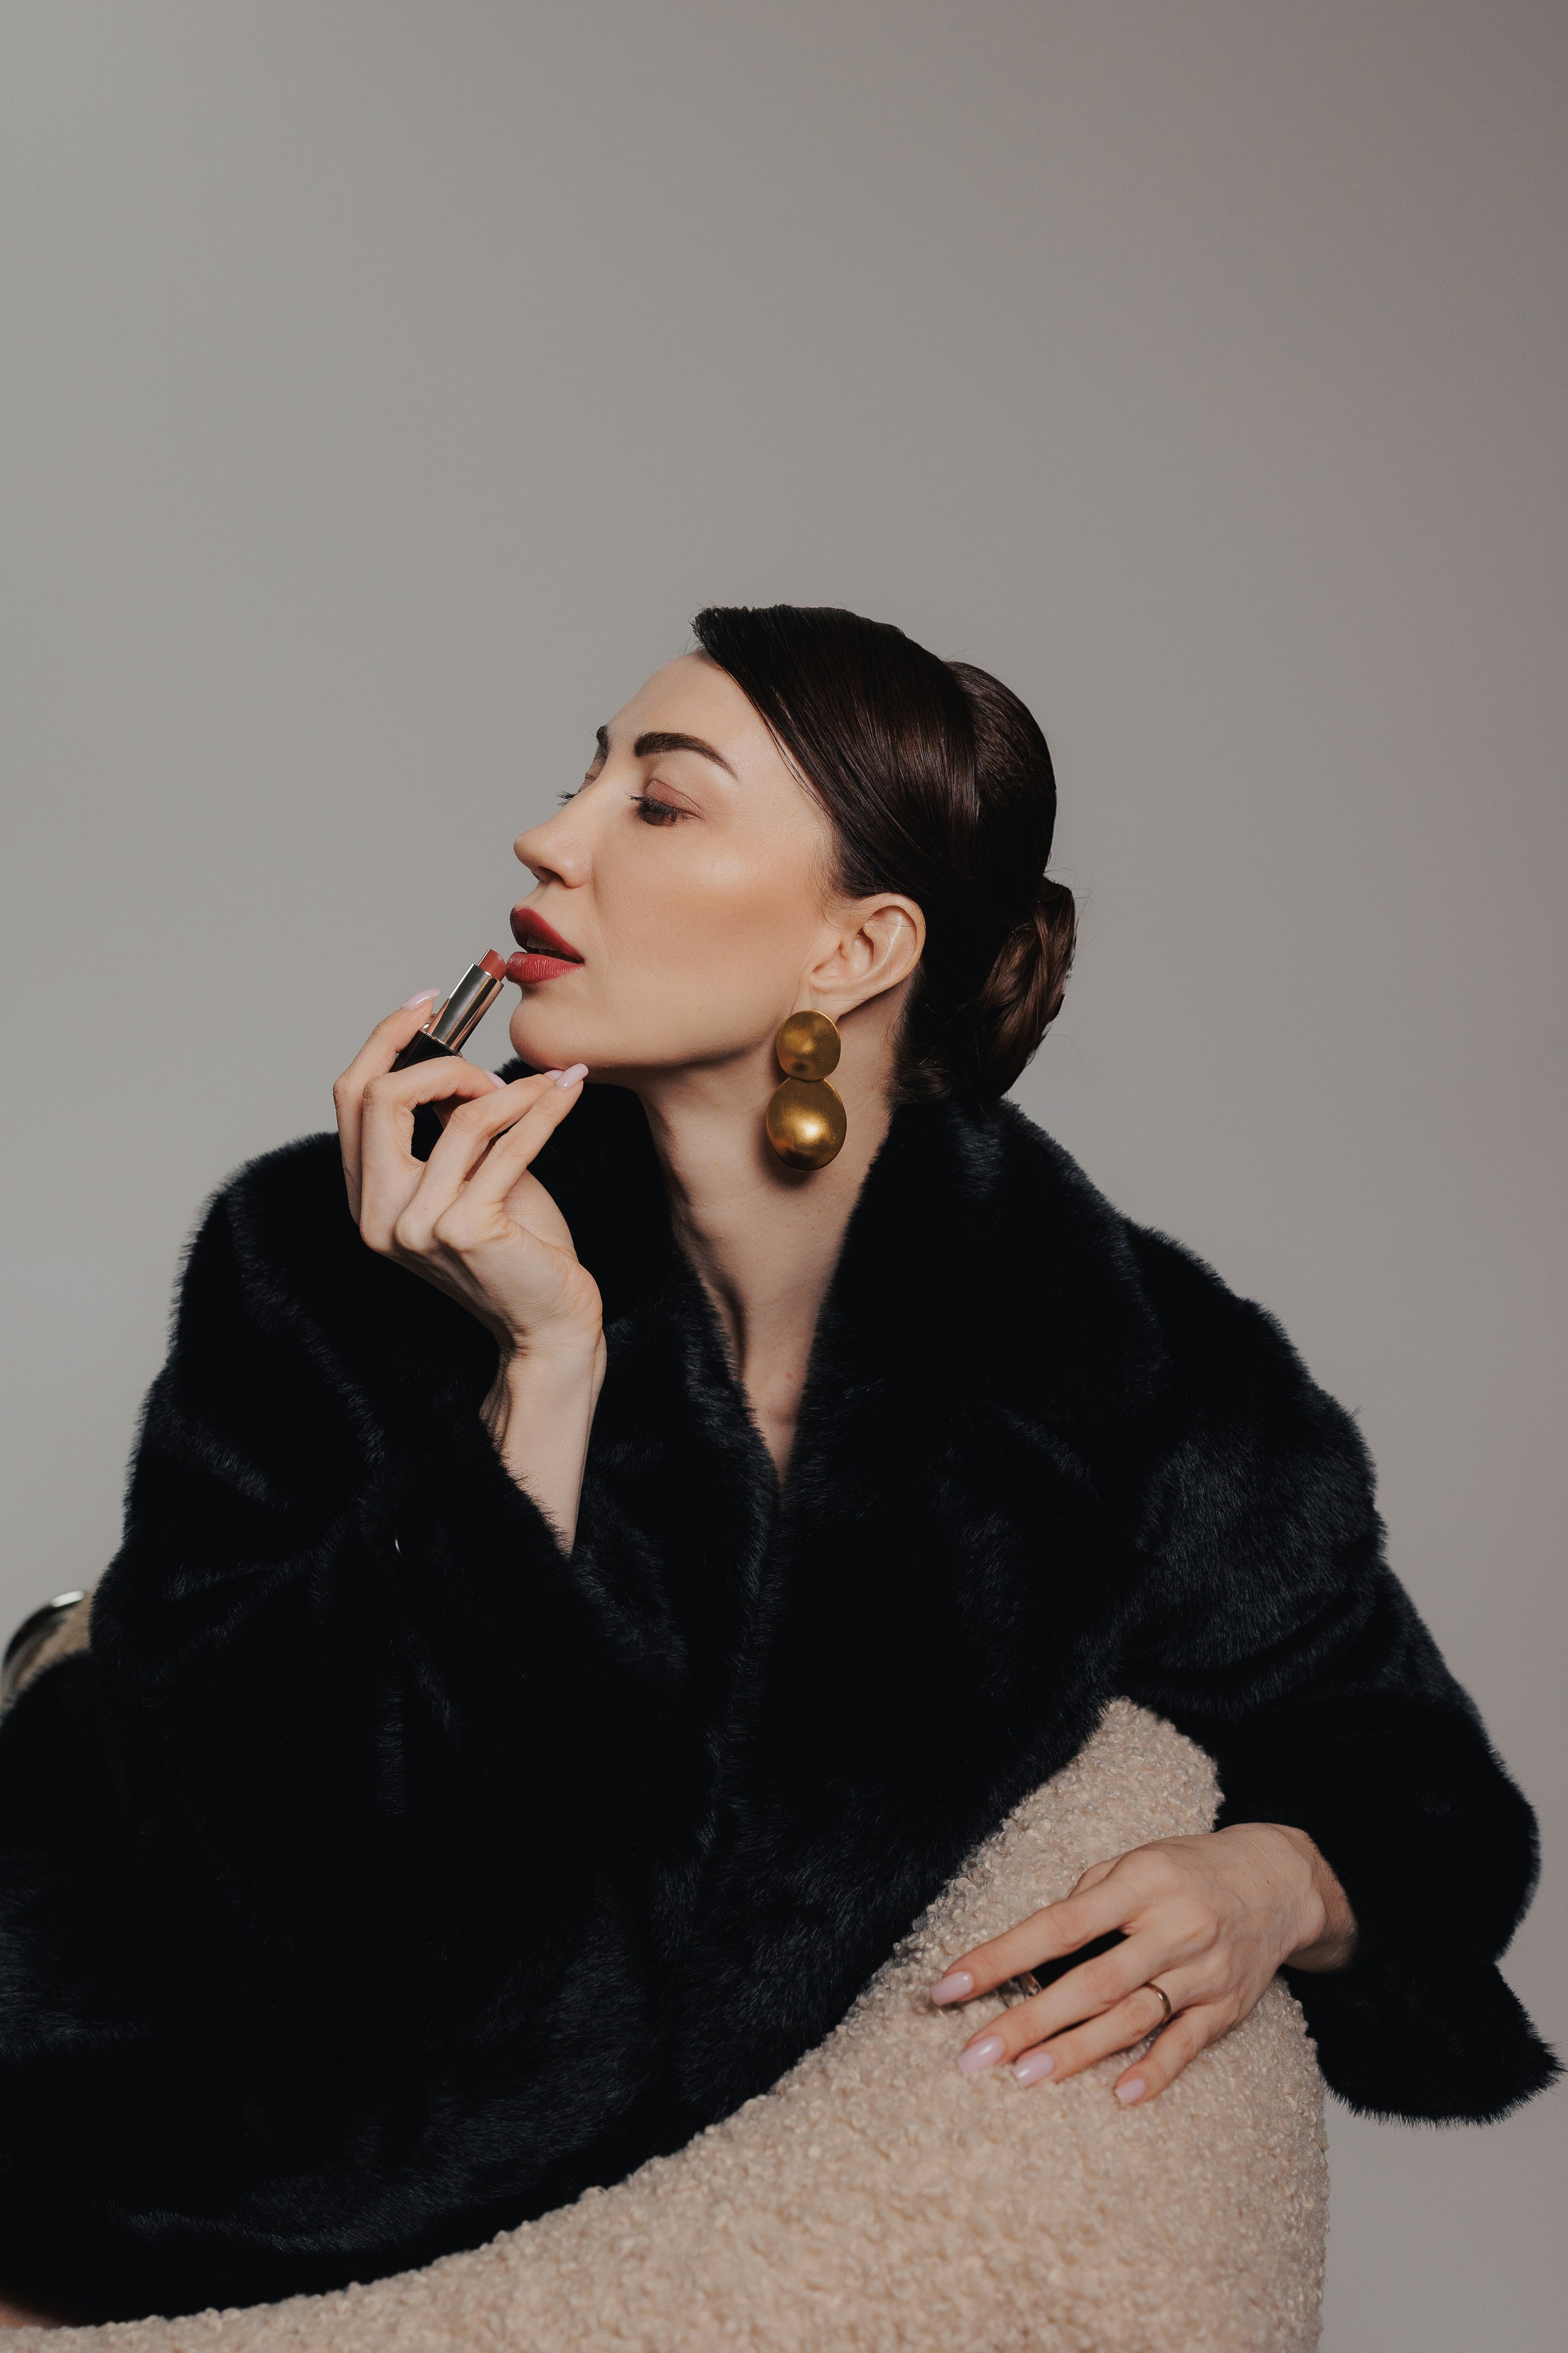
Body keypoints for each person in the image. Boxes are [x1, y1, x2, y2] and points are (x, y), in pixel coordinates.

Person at [0, 605, 1553, 2328]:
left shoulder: (1129, 1372)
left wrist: (1278, 1883)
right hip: (148, 2159)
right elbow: (289, 1902)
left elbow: (1432, 1807)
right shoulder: (326, 1254)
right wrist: (543, 1375)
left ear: (855, 949)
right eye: (585, 776)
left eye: (658, 801)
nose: (548, 837)